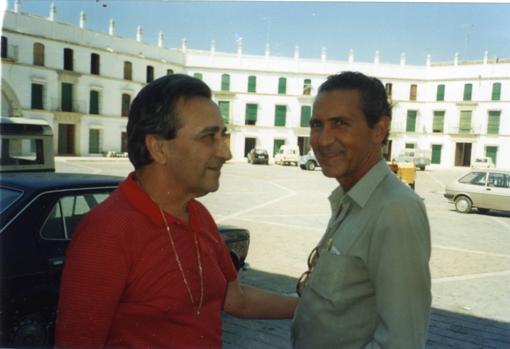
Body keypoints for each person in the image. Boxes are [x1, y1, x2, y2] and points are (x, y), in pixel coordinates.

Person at [55, 74, 297, 349]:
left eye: (222, 135)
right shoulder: (106, 233)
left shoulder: (199, 216)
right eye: (208, 137)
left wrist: (308, 307)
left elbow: (235, 299)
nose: (225, 153)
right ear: (158, 148)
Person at [292, 71, 431, 348]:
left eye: (340, 123)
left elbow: (401, 341)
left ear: (378, 130)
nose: (322, 139)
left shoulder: (395, 209)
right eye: (317, 125)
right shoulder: (349, 199)